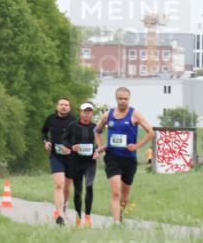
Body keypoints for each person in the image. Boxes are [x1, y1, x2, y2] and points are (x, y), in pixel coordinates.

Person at [94, 87, 154, 223]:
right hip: (112, 157)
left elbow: (151, 132)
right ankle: (115, 223)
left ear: (129, 99)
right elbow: (97, 131)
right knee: (116, 192)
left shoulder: (135, 114)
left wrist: (137, 146)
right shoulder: (108, 115)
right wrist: (100, 146)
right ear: (116, 99)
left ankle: (119, 216)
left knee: (125, 196)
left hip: (129, 159)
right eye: (120, 98)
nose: (122, 101)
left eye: (125, 99)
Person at [63, 102, 100, 227]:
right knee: (78, 190)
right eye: (84, 111)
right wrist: (71, 146)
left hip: (90, 162)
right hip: (76, 161)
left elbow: (100, 143)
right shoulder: (73, 126)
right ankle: (78, 217)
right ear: (80, 112)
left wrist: (97, 151)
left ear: (92, 114)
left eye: (89, 112)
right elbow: (64, 140)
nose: (86, 114)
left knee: (89, 187)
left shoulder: (95, 127)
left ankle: (88, 217)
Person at [41, 98, 77, 226]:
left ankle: (64, 205)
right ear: (57, 106)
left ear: (69, 107)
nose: (64, 107)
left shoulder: (74, 120)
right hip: (56, 156)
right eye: (61, 104)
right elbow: (43, 132)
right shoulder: (50, 119)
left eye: (66, 105)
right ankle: (59, 215)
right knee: (58, 184)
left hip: (71, 157)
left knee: (67, 187)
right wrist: (46, 142)